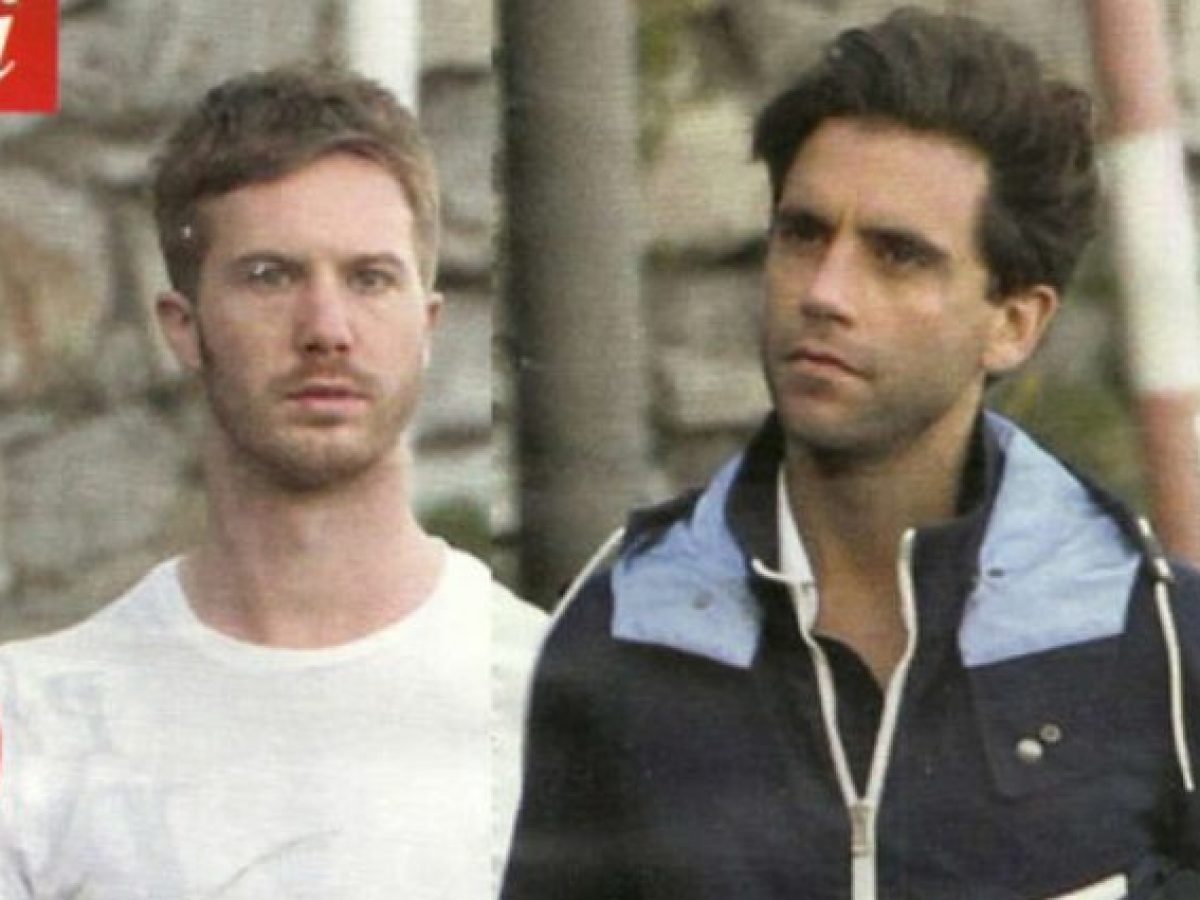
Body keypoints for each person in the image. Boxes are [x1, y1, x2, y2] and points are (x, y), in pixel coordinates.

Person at [503, 8, 1200, 899]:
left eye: (897, 256)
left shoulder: (1150, 639)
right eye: (803, 235)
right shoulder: (627, 632)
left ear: (1014, 323)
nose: (826, 292)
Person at [0, 67, 545, 899]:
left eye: (370, 278)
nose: (326, 329)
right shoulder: (38, 726)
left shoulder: (555, 699)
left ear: (426, 324)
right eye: (270, 276)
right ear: (184, 328)